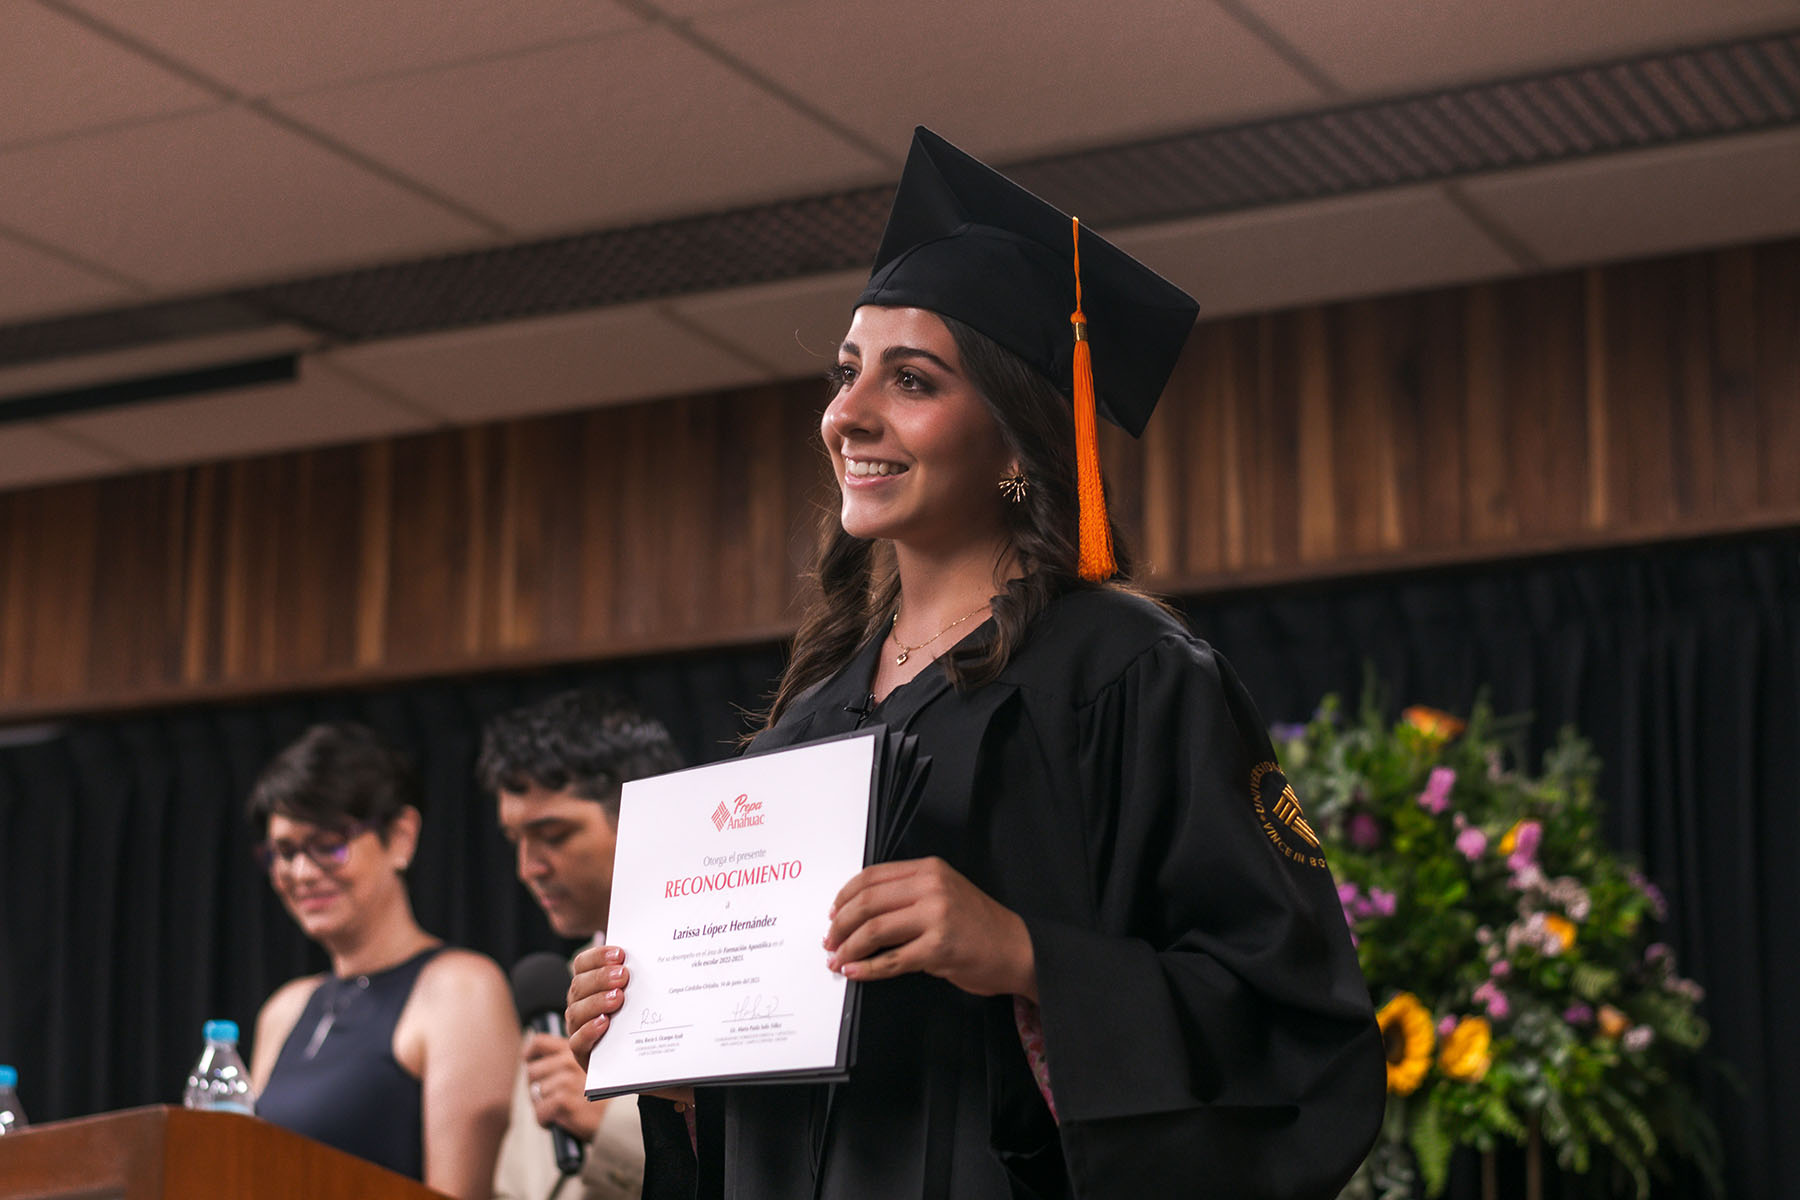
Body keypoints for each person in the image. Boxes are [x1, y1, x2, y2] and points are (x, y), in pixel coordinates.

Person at [566, 127, 1386, 1198]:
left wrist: (1026, 956)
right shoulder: (804, 727)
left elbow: (1291, 1026)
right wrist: (678, 1061)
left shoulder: (1128, 676)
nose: (846, 414)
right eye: (846, 372)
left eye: (910, 381)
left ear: (1014, 439)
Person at [247, 722, 516, 1198]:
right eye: (284, 852)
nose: (301, 873)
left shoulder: (459, 988)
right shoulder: (285, 1009)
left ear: (400, 837)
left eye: (328, 844)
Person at [481, 691, 685, 1200]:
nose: (528, 869)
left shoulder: (718, 963)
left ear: (642, 815)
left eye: (552, 834)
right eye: (516, 841)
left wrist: (606, 1128)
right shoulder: (552, 996)